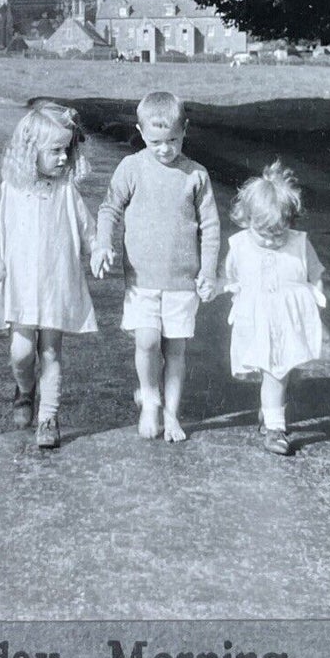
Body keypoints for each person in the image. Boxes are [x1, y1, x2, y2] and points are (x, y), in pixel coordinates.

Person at [92, 90, 219, 442]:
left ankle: (172, 415)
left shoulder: (196, 175)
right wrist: (102, 244)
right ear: (140, 131)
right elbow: (109, 209)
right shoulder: (132, 167)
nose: (165, 149)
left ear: (185, 130)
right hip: (141, 278)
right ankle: (150, 398)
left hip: (182, 281)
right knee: (147, 341)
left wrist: (208, 272)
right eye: (155, 141)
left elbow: (210, 228)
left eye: (173, 140)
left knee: (175, 349)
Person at [0, 100, 97, 450]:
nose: (64, 158)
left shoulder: (67, 192)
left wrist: (98, 250)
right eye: (55, 151)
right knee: (21, 352)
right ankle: (24, 390)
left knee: (50, 352)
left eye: (67, 150)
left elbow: (87, 229)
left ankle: (49, 416)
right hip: (20, 286)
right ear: (29, 151)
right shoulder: (9, 191)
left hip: (55, 285)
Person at [222, 162, 327, 456]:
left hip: (291, 319)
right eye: (263, 232)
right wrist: (219, 288)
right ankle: (275, 429)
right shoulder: (241, 245)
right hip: (258, 320)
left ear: (290, 222)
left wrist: (317, 305)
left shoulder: (299, 243)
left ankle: (269, 412)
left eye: (278, 233)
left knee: (287, 372)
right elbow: (230, 276)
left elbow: (315, 273)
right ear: (245, 219)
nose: (270, 240)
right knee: (275, 372)